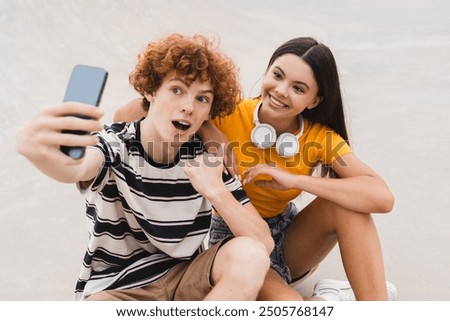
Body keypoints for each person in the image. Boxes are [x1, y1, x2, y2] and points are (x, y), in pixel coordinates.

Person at [113, 36, 397, 301]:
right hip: (231, 240)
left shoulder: (321, 139)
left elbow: (381, 197)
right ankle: (328, 300)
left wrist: (295, 180)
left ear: (315, 100)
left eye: (299, 88)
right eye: (277, 75)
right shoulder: (227, 113)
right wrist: (210, 129)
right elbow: (126, 116)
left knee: (347, 206)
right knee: (290, 306)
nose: (281, 91)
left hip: (289, 238)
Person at [16, 33, 273, 301]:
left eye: (202, 99)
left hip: (187, 279)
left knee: (249, 256)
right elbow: (74, 167)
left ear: (209, 111)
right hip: (118, 288)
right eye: (177, 90)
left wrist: (216, 192)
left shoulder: (207, 158)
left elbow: (262, 244)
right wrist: (38, 152)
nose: (188, 107)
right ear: (151, 91)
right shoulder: (116, 144)